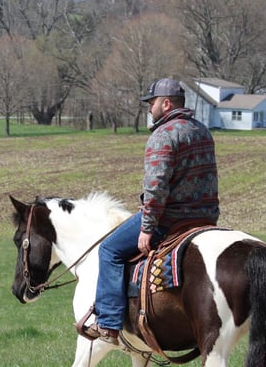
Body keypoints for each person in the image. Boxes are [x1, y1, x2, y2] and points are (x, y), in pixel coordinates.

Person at [82, 78, 219, 342]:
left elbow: (157, 188)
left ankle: (108, 324)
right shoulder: (202, 130)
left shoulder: (163, 135)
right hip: (205, 218)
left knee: (109, 250)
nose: (149, 108)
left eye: (152, 102)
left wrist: (147, 228)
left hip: (171, 220)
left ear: (166, 104)